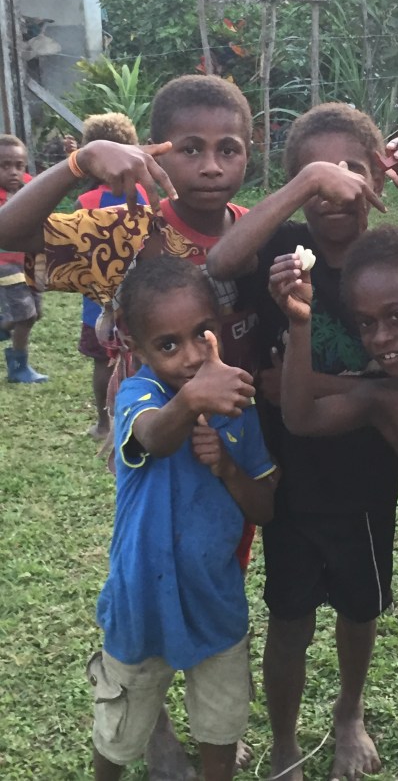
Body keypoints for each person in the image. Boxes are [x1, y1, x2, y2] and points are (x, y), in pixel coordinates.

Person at [0, 74, 260, 777]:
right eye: (190, 149)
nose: (210, 165)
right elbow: (8, 233)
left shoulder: (255, 230)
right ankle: (152, 718)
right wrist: (79, 162)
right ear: (157, 153)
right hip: (148, 431)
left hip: (232, 434)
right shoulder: (129, 229)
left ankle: (204, 691)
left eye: (229, 148)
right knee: (152, 559)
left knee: (219, 555)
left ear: (250, 152)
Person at [207, 104, 398, 781]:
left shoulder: (389, 264)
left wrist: (305, 384)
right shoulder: (280, 249)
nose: (334, 187)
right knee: (289, 617)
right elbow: (220, 260)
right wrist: (304, 184)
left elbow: (396, 378)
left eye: (350, 169)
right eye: (315, 175)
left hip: (365, 476)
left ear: (376, 178)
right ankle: (283, 739)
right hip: (288, 478)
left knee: (360, 610)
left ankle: (349, 714)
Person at [89, 255, 276, 781]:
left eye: (202, 332)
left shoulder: (239, 405)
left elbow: (266, 507)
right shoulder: (139, 394)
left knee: (221, 728)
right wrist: (193, 399)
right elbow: (154, 436)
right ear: (137, 346)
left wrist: (228, 468)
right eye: (168, 345)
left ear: (220, 323)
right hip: (140, 603)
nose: (192, 355)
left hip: (215, 599)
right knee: (118, 732)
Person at [74, 113, 148, 441]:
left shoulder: (86, 202)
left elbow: (77, 251)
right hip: (139, 298)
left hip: (97, 302)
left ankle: (104, 424)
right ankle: (139, 415)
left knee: (101, 363)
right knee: (140, 358)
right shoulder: (145, 195)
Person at [0, 133, 48, 383]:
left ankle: (4, 325)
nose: (13, 172)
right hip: (5, 265)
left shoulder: (30, 188)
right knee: (25, 315)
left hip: (31, 261)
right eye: (5, 166)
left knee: (35, 313)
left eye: (19, 166)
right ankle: (19, 367)